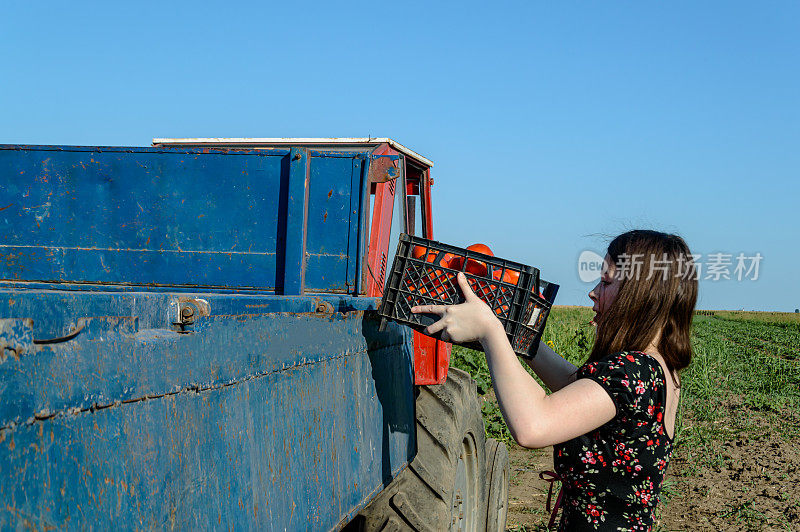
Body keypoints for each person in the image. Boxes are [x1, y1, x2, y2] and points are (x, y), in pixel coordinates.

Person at [411, 230, 698, 531]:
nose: (594, 292)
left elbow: (533, 427)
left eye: (607, 282)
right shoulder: (656, 368)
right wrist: (519, 339)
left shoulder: (631, 371)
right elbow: (577, 389)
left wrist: (490, 332)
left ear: (641, 295)